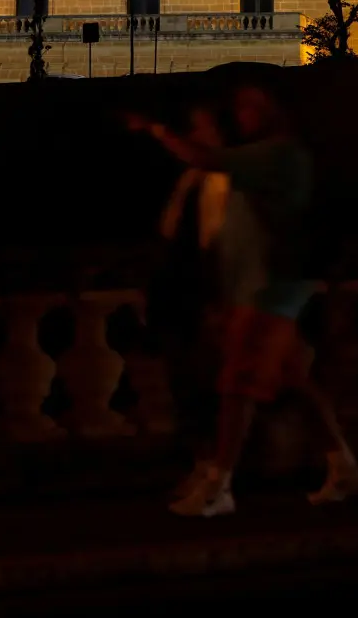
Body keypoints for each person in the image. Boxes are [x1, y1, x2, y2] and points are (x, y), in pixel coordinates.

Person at [126, 81, 358, 517]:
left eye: (253, 106)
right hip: (257, 286)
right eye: (240, 106)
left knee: (238, 383)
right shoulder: (257, 161)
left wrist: (158, 131)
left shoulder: (277, 155)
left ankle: (220, 484)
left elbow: (205, 159)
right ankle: (344, 465)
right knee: (293, 377)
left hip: (270, 286)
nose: (244, 115)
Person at [145, 104, 230, 496]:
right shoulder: (196, 177)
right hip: (181, 291)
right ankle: (205, 465)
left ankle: (212, 469)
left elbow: (212, 243)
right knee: (189, 384)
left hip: (198, 293)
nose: (195, 137)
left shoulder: (218, 179)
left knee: (204, 385)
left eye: (202, 128)